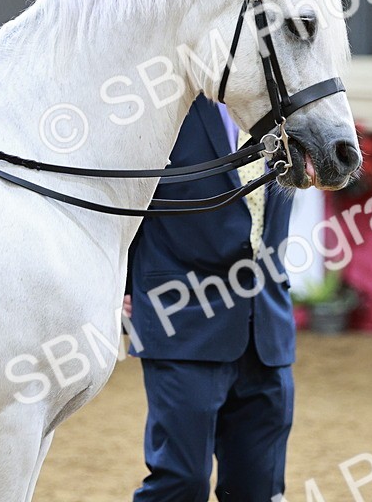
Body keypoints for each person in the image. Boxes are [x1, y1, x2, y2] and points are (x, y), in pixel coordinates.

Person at [126, 95, 296, 502]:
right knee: (181, 482)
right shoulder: (160, 105)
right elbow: (124, 201)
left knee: (259, 490)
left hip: (267, 329)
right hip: (182, 320)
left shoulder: (288, 106)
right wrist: (122, 285)